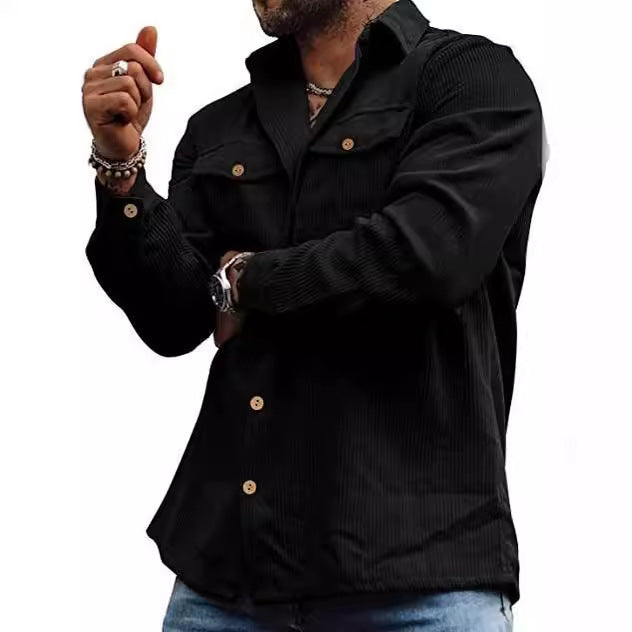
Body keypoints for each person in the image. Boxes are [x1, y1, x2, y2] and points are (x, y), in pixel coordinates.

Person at [81, 0, 544, 629]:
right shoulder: (220, 126)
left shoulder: (471, 80)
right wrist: (120, 172)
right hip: (229, 581)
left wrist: (245, 280)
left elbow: (425, 257)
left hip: (420, 580)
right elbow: (175, 318)